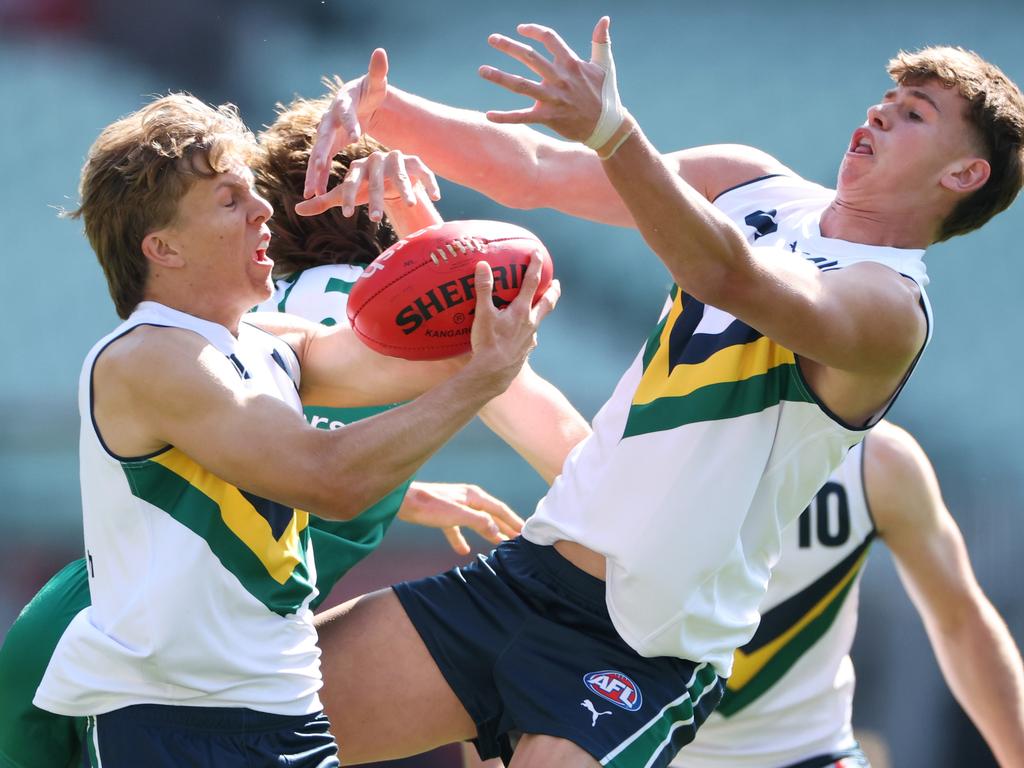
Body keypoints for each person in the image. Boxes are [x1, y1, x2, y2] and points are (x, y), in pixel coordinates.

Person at [302, 18, 1024, 768]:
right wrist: (382, 110)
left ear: (963, 175)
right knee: (233, 726)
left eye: (914, 114)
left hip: (643, 649)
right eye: (887, 96)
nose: (879, 111)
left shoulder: (891, 308)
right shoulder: (752, 181)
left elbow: (731, 277)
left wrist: (615, 133)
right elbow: (536, 169)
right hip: (528, 575)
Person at [21, 92, 561, 767]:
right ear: (162, 247)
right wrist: (481, 377)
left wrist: (495, 289)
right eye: (228, 200)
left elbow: (395, 361)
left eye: (253, 192)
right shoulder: (150, 358)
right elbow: (329, 479)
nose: (262, 210)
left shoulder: (267, 340)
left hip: (284, 709)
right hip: (175, 725)